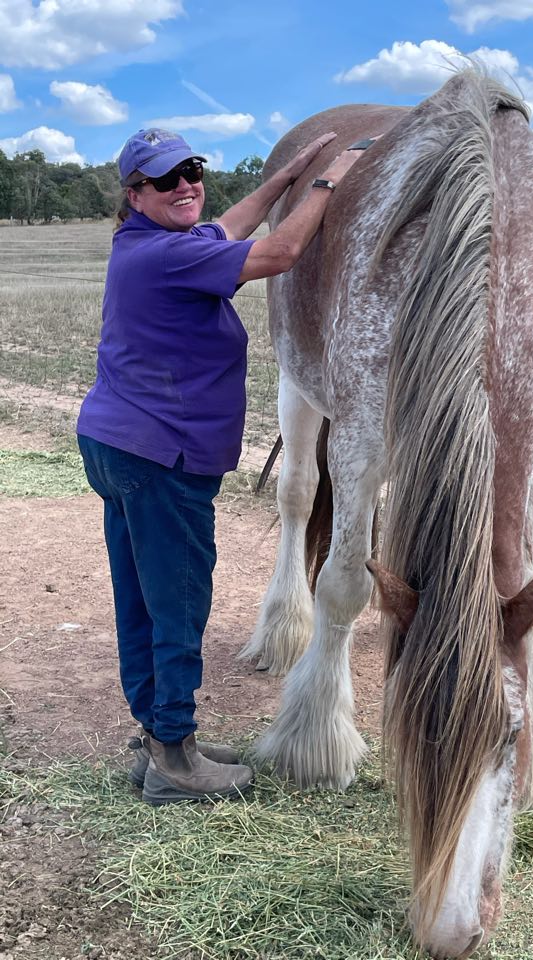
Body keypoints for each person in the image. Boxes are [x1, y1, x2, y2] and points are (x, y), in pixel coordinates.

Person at [77, 127, 364, 806]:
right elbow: (284, 250)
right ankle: (176, 758)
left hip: (119, 444)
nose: (185, 185)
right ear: (134, 193)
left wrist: (286, 172)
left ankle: (157, 737)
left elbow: (228, 226)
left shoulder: (150, 245)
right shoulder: (166, 258)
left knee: (142, 599)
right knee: (177, 599)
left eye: (192, 171)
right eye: (165, 178)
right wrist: (328, 179)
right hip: (159, 455)